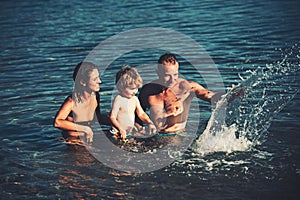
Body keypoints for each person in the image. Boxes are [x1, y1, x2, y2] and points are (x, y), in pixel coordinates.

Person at [138, 53, 224, 133]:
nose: (172, 80)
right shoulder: (147, 91)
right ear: (158, 73)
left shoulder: (187, 88)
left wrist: (232, 94)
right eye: (167, 75)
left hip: (177, 136)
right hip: (156, 136)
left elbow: (209, 96)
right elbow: (137, 115)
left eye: (175, 74)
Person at [54, 62, 110, 144]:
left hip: (89, 138)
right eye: (95, 79)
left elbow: (97, 117)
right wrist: (85, 129)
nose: (100, 81)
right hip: (73, 141)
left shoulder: (95, 96)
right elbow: (57, 122)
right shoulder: (71, 102)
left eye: (99, 77)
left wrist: (117, 123)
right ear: (83, 82)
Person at [110, 66, 157, 141]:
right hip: (118, 132)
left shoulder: (134, 99)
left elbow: (141, 114)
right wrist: (120, 129)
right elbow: (112, 117)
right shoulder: (119, 99)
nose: (135, 91)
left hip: (129, 131)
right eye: (132, 89)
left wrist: (150, 123)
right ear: (121, 87)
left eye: (137, 88)